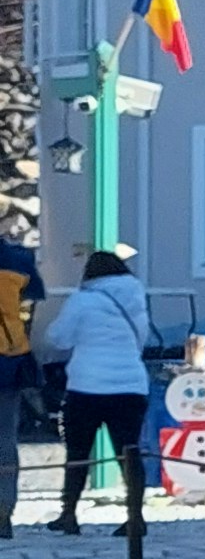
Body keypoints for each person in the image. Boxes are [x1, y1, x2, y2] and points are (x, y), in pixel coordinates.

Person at [38, 247, 154, 534]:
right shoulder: (136, 297)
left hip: (86, 386)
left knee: (78, 452)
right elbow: (143, 338)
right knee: (128, 452)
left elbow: (58, 338)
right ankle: (136, 517)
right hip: (130, 385)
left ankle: (69, 514)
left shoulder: (83, 300)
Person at [0, 221, 40, 533]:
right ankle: (4, 508)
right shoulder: (18, 260)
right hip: (8, 360)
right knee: (5, 439)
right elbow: (33, 302)